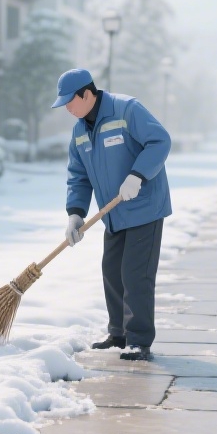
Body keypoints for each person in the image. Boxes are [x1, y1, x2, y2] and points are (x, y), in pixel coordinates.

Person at [51, 68, 172, 361]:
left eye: (70, 101)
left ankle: (139, 340)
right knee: (112, 271)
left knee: (135, 274)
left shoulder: (126, 109)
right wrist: (75, 214)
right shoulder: (80, 131)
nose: (67, 107)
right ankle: (119, 334)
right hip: (114, 213)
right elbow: (78, 176)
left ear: (87, 93)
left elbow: (160, 141)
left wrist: (138, 175)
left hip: (144, 206)